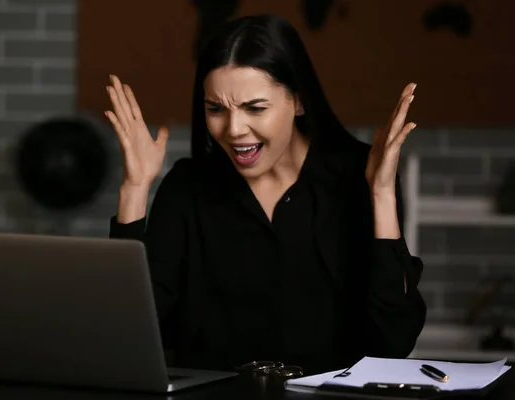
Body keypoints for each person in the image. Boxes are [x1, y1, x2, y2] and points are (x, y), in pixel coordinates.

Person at [106, 14, 426, 374]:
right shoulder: (188, 188)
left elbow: (393, 342)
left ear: (299, 101)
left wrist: (381, 195)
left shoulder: (360, 176)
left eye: (255, 108)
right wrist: (133, 189)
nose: (234, 129)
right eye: (215, 109)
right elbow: (126, 334)